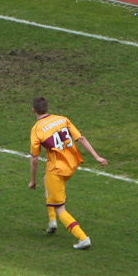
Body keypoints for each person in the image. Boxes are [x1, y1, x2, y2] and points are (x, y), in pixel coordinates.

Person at [28, 96, 107, 250]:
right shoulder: (62, 119)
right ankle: (52, 222)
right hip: (71, 165)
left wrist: (32, 180)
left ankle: (83, 238)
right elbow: (81, 138)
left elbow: (34, 159)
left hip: (56, 170)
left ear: (33, 110)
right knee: (47, 180)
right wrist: (97, 157)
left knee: (60, 209)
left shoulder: (36, 129)